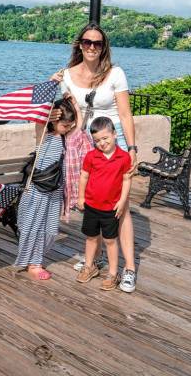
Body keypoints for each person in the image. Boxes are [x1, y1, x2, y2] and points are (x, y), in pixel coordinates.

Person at [51, 22, 138, 293]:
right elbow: (65, 110)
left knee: (118, 208)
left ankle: (129, 268)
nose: (91, 47)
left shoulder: (115, 73)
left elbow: (124, 114)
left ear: (103, 48)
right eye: (87, 42)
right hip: (84, 144)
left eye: (97, 43)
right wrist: (52, 91)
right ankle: (97, 259)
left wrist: (132, 148)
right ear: (79, 44)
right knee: (93, 202)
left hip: (114, 142)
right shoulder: (66, 75)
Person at [15, 98, 81, 280]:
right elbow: (38, 118)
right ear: (54, 121)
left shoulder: (65, 137)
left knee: (50, 228)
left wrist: (74, 103)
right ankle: (34, 263)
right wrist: (49, 108)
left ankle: (36, 259)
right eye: (64, 125)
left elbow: (79, 125)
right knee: (34, 225)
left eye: (70, 125)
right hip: (38, 188)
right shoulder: (43, 134)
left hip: (55, 190)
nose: (68, 128)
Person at [76, 117, 131, 290]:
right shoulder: (91, 156)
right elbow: (84, 176)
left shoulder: (124, 157)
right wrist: (81, 197)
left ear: (115, 134)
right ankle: (89, 266)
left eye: (106, 138)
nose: (102, 143)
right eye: (97, 140)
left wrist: (122, 201)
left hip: (111, 208)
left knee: (110, 241)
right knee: (91, 238)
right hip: (92, 206)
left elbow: (126, 180)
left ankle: (113, 274)